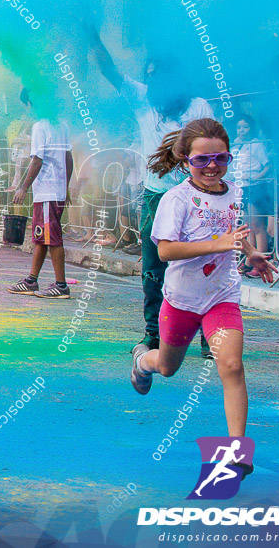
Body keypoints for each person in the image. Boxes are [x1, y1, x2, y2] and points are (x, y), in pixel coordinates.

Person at [131, 119, 275, 451]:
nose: (212, 167)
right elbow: (165, 250)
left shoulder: (235, 192)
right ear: (185, 162)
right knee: (167, 367)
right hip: (181, 299)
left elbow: (232, 236)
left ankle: (237, 451)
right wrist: (219, 245)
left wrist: (251, 253)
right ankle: (142, 361)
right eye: (201, 160)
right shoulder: (176, 199)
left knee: (231, 365)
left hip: (221, 296)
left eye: (220, 159)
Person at [95, 44, 216, 356]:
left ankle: (206, 335)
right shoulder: (142, 99)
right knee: (153, 271)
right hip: (154, 198)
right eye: (147, 75)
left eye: (156, 75)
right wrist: (91, 34)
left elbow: (214, 149)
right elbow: (110, 71)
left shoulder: (198, 107)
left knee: (198, 267)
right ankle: (154, 334)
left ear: (173, 77)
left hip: (194, 198)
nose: (150, 81)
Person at [7, 89, 74, 299]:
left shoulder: (40, 126)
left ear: (30, 104)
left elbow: (37, 159)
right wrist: (66, 186)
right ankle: (31, 280)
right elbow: (68, 157)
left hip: (46, 191)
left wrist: (23, 187)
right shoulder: (61, 124)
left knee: (52, 238)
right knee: (41, 237)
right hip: (56, 189)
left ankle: (61, 285)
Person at [230, 115, 272, 270]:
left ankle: (262, 261)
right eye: (239, 127)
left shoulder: (257, 145)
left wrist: (255, 177)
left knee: (257, 224)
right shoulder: (235, 146)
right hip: (241, 187)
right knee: (248, 226)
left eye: (245, 127)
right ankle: (249, 260)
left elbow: (268, 166)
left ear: (251, 128)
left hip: (255, 186)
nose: (242, 130)